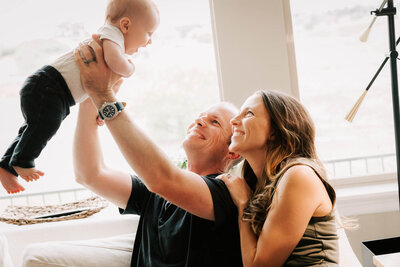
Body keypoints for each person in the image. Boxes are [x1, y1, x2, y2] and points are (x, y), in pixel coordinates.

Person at [23, 36, 243, 266]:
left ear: (233, 152)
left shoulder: (224, 193)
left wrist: (104, 95)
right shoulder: (153, 194)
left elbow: (162, 179)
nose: (199, 122)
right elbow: (90, 174)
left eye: (215, 122)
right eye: (200, 117)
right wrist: (90, 95)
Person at [0, 0, 159, 194]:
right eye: (149, 33)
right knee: (45, 126)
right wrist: (130, 67)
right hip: (50, 86)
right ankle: (22, 161)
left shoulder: (110, 40)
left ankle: (7, 166)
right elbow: (116, 63)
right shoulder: (112, 35)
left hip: (47, 87)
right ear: (125, 25)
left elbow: (98, 87)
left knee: (32, 129)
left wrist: (102, 107)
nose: (150, 41)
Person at [219, 90, 339, 266]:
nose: (234, 120)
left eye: (249, 113)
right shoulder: (260, 182)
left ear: (275, 132)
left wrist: (243, 203)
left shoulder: (298, 175)